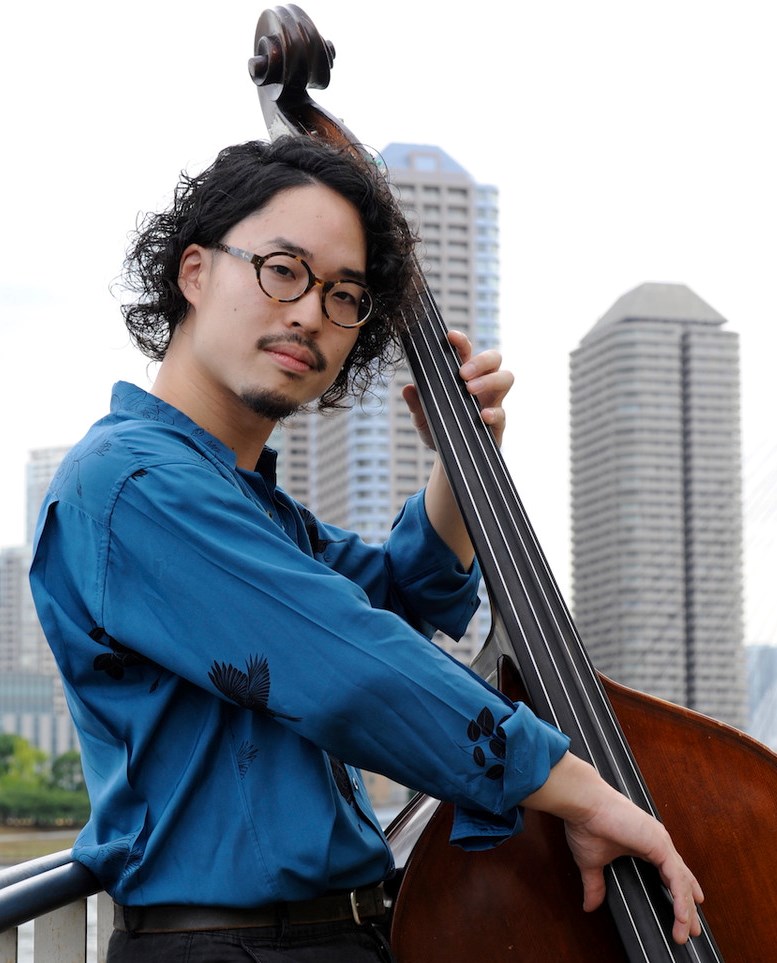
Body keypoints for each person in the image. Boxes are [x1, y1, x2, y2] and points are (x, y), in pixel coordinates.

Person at [30, 136, 703, 962]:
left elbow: (399, 596)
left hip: (338, 935)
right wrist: (583, 793)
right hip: (231, 948)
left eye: (344, 294)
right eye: (283, 269)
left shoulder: (254, 508)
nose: (311, 312)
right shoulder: (133, 485)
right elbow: (350, 660)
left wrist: (461, 460)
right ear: (194, 272)